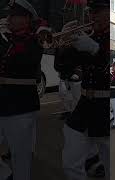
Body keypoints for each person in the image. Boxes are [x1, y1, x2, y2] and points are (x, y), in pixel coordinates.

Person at [0, 0, 50, 179]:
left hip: (20, 106)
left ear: (26, 19)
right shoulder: (6, 37)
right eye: (9, 15)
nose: (9, 19)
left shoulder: (35, 39)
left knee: (20, 157)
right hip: (3, 103)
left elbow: (25, 61)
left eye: (14, 16)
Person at [61, 1, 109, 179]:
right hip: (85, 105)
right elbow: (63, 67)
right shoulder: (91, 37)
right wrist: (65, 44)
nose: (92, 15)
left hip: (105, 106)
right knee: (70, 163)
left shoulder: (102, 41)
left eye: (98, 11)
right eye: (91, 11)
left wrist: (95, 49)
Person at [54, 23, 83, 120]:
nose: (65, 34)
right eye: (64, 32)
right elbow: (57, 59)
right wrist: (59, 49)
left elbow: (79, 59)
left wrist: (76, 72)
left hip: (75, 74)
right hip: (64, 74)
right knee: (62, 94)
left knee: (76, 96)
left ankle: (75, 112)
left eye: (68, 32)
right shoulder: (61, 44)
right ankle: (67, 111)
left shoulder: (77, 43)